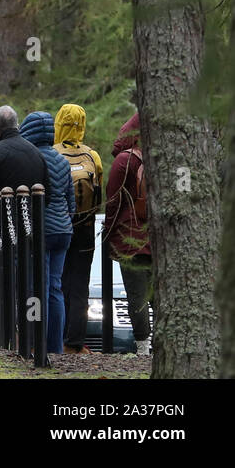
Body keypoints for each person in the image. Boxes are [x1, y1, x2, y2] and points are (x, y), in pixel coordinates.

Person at [20, 110, 75, 355]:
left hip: (40, 231)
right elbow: (71, 202)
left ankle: (34, 343)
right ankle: (55, 347)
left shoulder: (30, 159)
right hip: (63, 231)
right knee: (55, 288)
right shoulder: (62, 161)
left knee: (35, 287)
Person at [54, 103, 103, 355]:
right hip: (85, 228)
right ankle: (75, 342)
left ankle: (56, 338)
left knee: (58, 282)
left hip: (60, 225)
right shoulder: (92, 156)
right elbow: (100, 195)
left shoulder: (52, 154)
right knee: (80, 285)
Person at [105, 111, 152, 357]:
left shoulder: (124, 161)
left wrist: (108, 233)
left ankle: (143, 347)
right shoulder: (161, 157)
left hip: (129, 239)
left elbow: (112, 201)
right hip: (157, 240)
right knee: (157, 295)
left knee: (137, 296)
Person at [0, 105, 46, 194]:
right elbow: (47, 194)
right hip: (33, 208)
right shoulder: (36, 153)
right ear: (17, 127)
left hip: (1, 207)